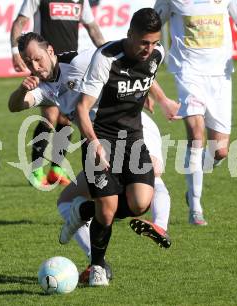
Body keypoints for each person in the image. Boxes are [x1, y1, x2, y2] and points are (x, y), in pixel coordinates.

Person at [8, 31, 178, 283]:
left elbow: (126, 60)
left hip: (133, 127)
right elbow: (15, 105)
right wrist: (20, 90)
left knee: (152, 176)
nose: (35, 67)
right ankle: (96, 263)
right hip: (100, 143)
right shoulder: (44, 88)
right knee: (66, 202)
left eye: (38, 59)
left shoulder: (79, 61)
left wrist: (156, 95)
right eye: (28, 62)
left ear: (51, 51)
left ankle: (159, 224)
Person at [70, 8, 169, 287]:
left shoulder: (156, 54)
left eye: (154, 42)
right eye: (143, 43)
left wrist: (157, 98)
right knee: (108, 208)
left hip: (134, 139)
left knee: (140, 203)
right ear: (129, 35)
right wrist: (95, 145)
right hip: (100, 137)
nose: (149, 49)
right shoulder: (106, 57)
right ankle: (97, 266)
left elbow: (143, 79)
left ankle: (83, 212)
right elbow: (81, 108)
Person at [154, 0, 237, 225]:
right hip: (188, 72)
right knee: (196, 133)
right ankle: (195, 207)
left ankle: (194, 179)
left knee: (220, 151)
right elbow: (152, 24)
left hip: (221, 75)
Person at [10, 0, 105, 188]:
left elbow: (92, 27)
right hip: (43, 65)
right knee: (50, 117)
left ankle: (56, 170)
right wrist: (15, 51)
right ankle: (36, 169)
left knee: (66, 120)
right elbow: (19, 23)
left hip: (69, 66)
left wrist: (106, 52)